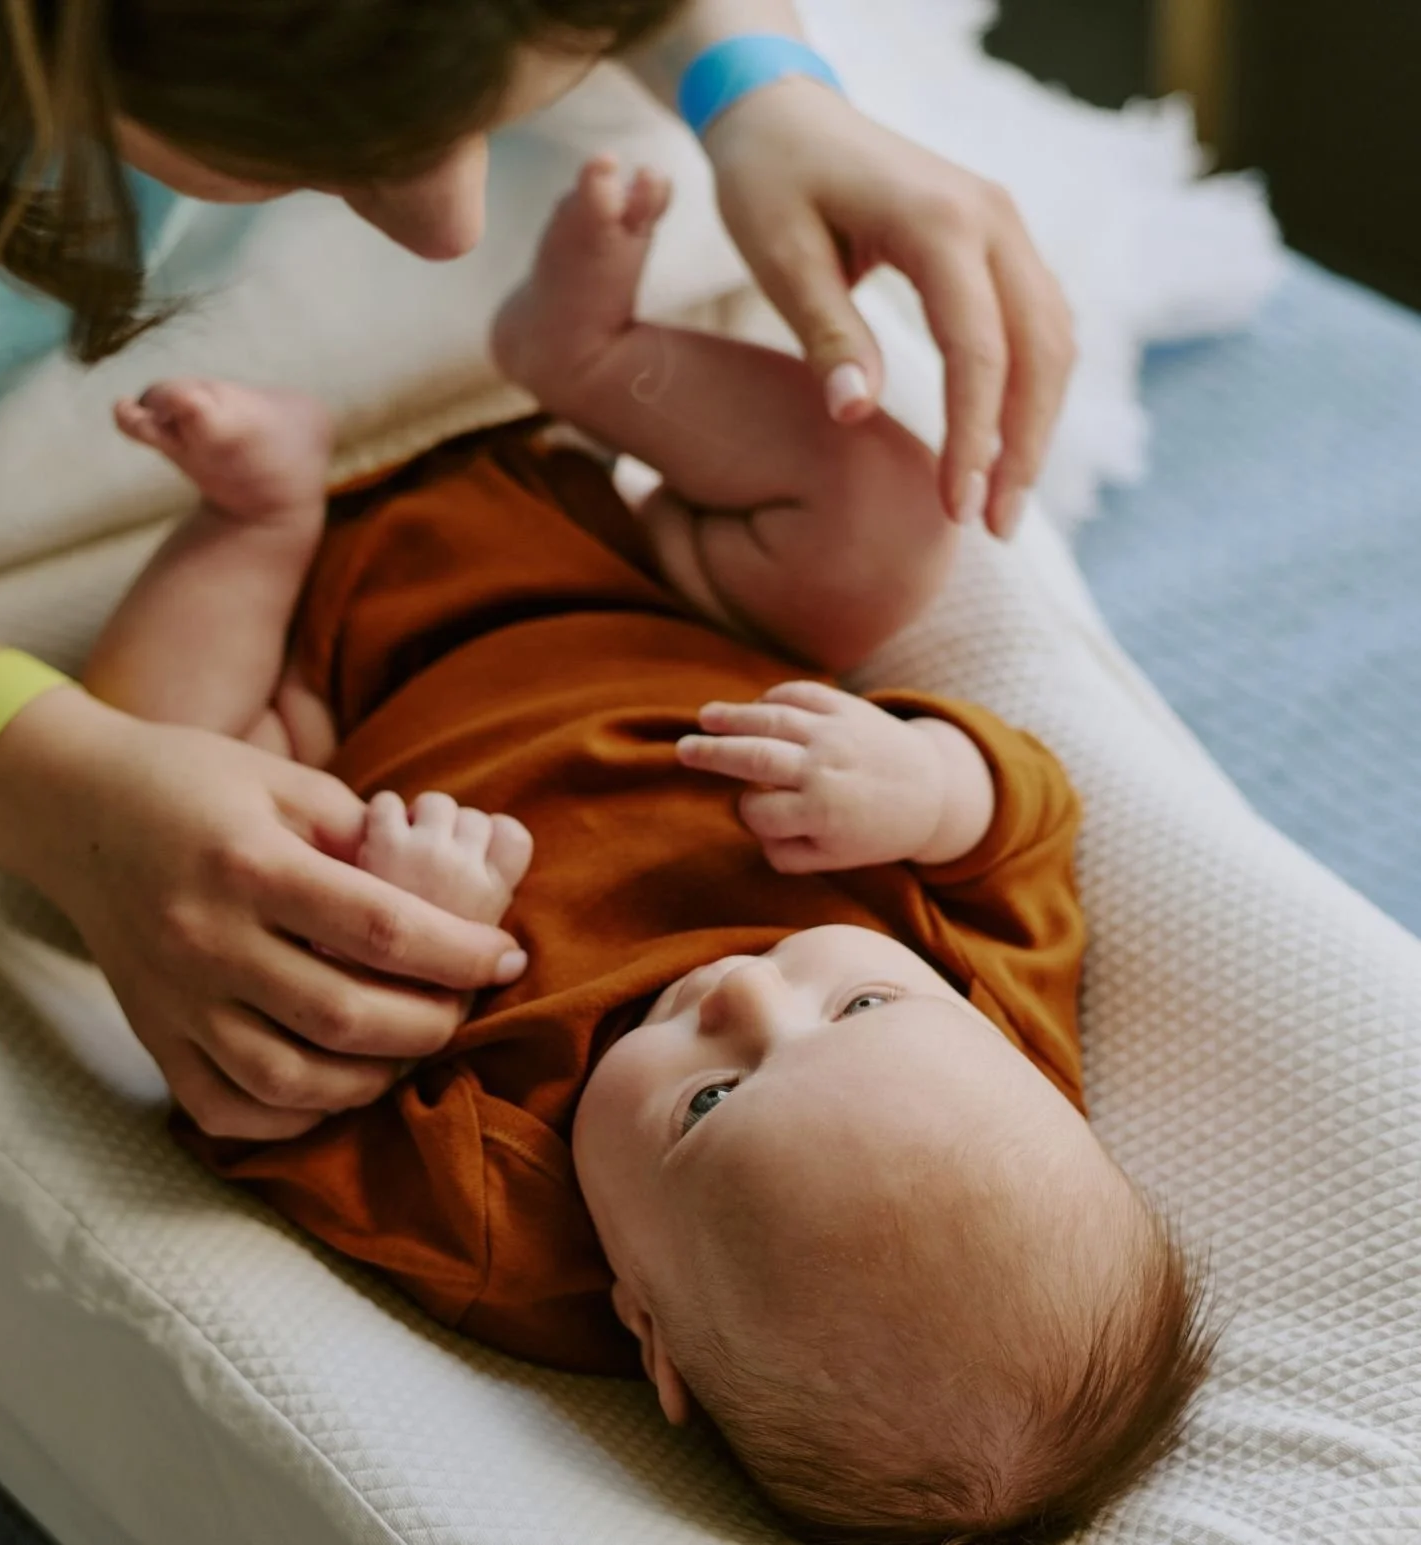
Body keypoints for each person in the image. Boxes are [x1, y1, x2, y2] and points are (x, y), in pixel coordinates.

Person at [0, 0, 1075, 1148]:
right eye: (309, 149)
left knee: (882, 522)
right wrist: (51, 781)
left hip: (404, 617)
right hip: (495, 557)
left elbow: (280, 1123)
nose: (436, 222)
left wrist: (753, 82)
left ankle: (289, 512)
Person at [80, 161, 1212, 1540]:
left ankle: (253, 513)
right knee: (886, 519)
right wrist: (926, 784)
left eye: (709, 1107)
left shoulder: (505, 1225)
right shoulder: (984, 1020)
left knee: (145, 785)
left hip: (334, 677)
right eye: (856, 1004)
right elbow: (1028, 821)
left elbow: (255, 1100)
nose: (745, 999)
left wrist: (392, 940)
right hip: (632, 570)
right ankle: (594, 357)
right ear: (1028, 1074)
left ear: (648, 1329)